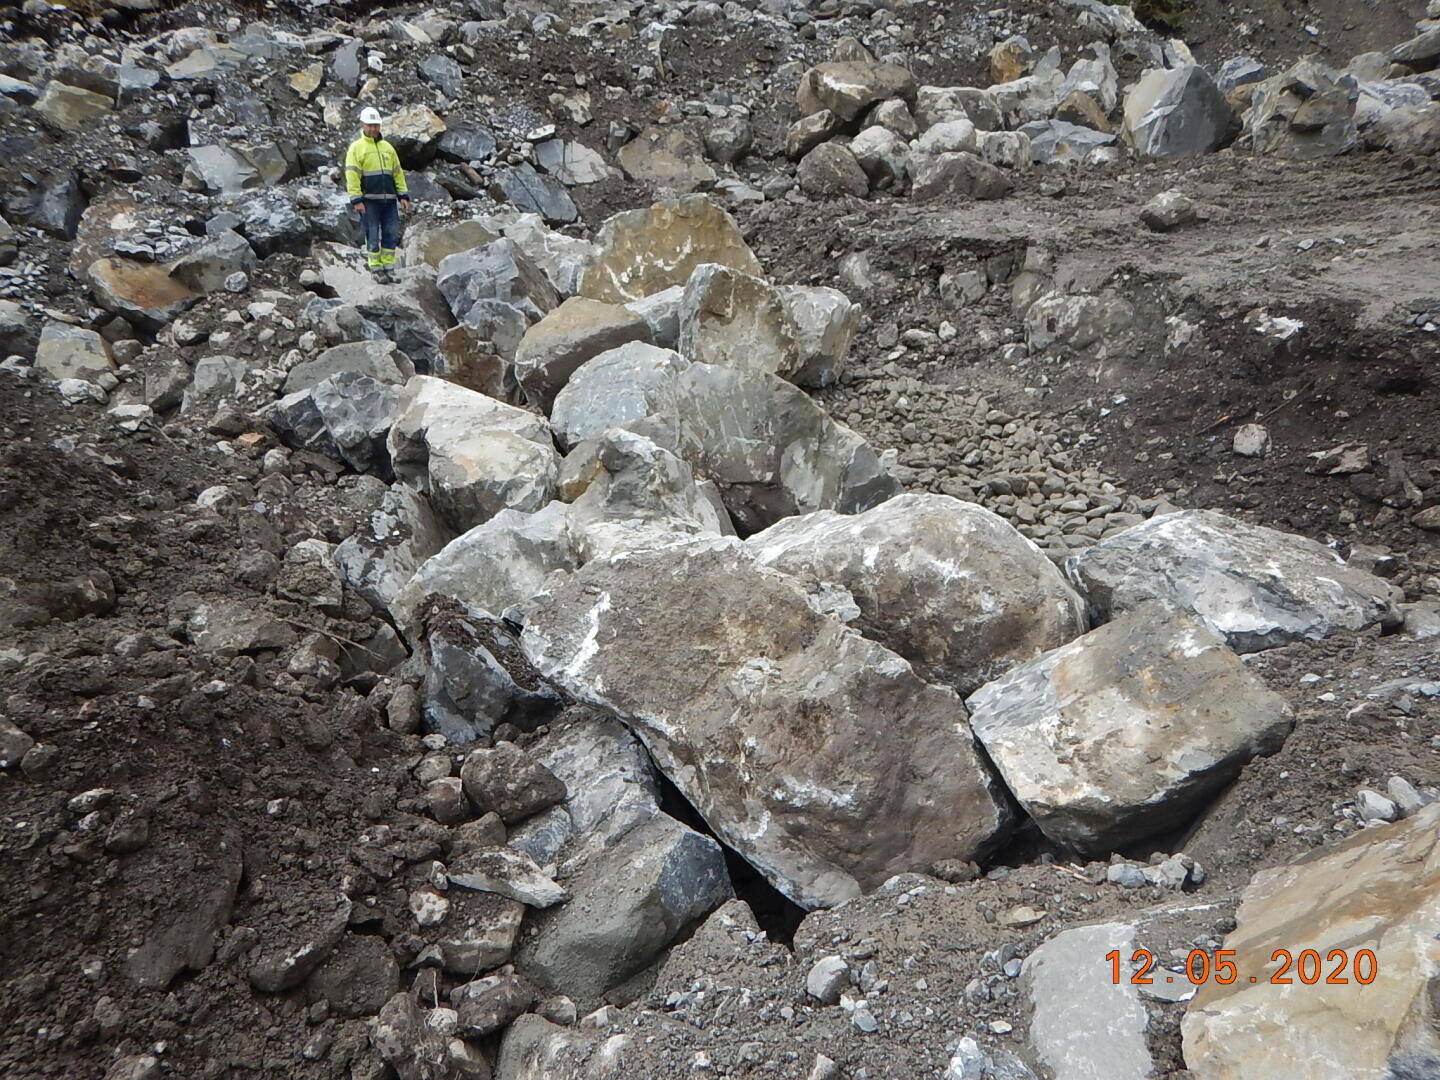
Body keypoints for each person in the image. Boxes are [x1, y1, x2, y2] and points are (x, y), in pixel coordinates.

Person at [344, 107, 410, 282]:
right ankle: (376, 269)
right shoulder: (356, 148)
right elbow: (352, 175)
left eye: (376, 125)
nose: (373, 128)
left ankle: (389, 268)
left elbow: (397, 172)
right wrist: (356, 199)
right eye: (370, 125)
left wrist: (403, 195)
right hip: (369, 201)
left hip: (389, 201)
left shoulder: (387, 147)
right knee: (372, 234)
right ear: (363, 125)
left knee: (391, 232)